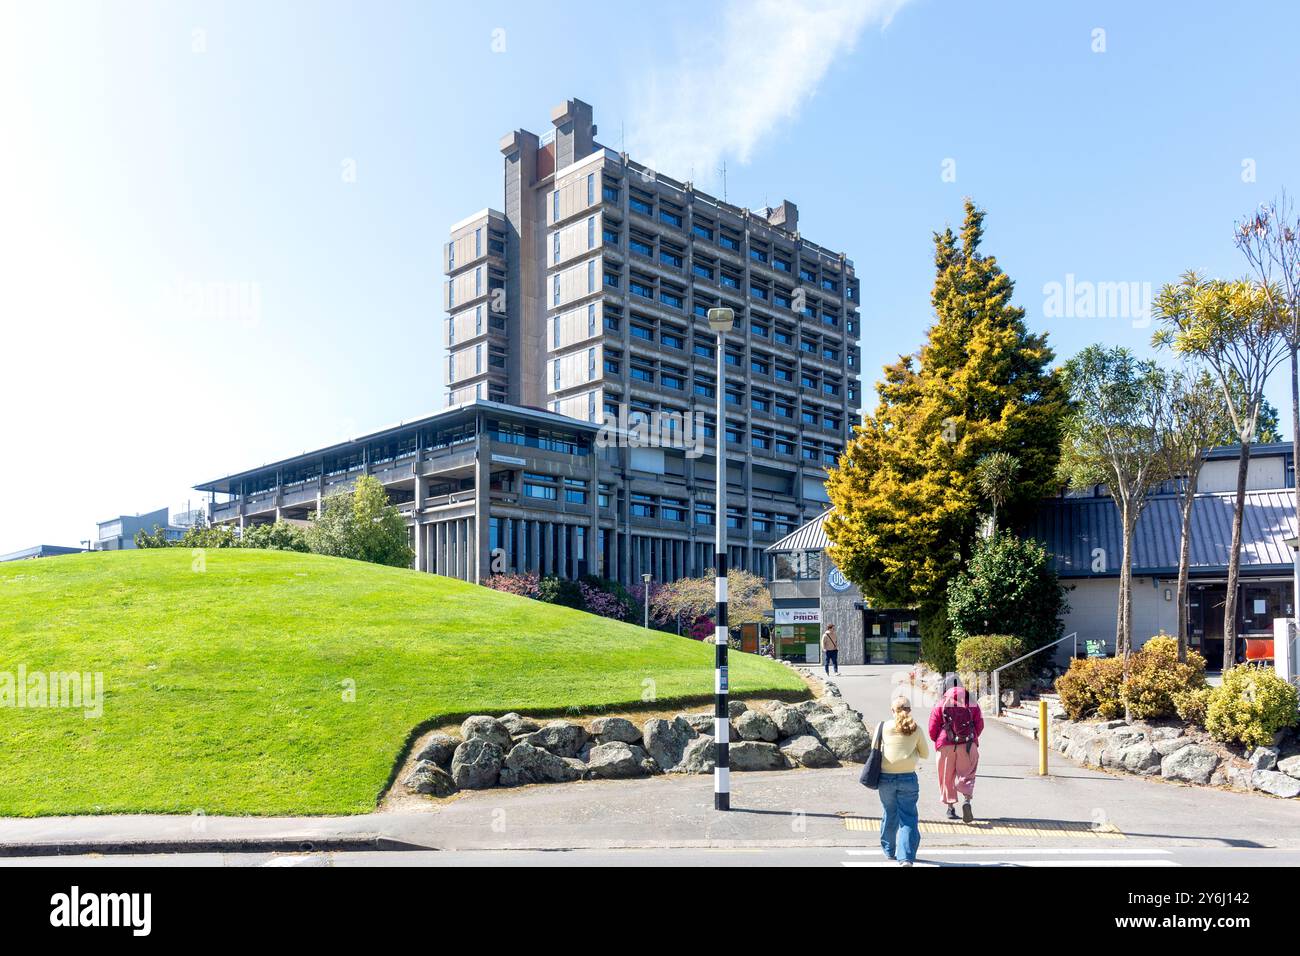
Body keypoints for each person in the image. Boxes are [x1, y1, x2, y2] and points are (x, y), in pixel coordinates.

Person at [876, 696, 929, 866]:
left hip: (885, 777)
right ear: (909, 710)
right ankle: (905, 856)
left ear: (893, 711)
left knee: (889, 812)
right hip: (908, 777)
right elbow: (926, 754)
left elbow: (873, 750)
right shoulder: (916, 729)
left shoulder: (882, 726)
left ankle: (889, 850)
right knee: (908, 816)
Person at [928, 677, 984, 822]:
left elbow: (932, 728)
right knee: (968, 774)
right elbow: (979, 725)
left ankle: (950, 808)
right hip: (968, 744)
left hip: (946, 745)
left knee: (946, 777)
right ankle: (967, 800)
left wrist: (939, 741)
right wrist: (972, 739)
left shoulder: (941, 703)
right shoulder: (971, 703)